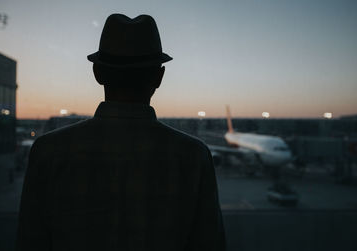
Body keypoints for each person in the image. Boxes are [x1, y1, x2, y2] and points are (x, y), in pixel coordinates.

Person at [16, 13, 226, 251]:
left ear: (97, 73)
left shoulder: (47, 151)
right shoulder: (194, 155)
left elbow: (30, 240)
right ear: (159, 77)